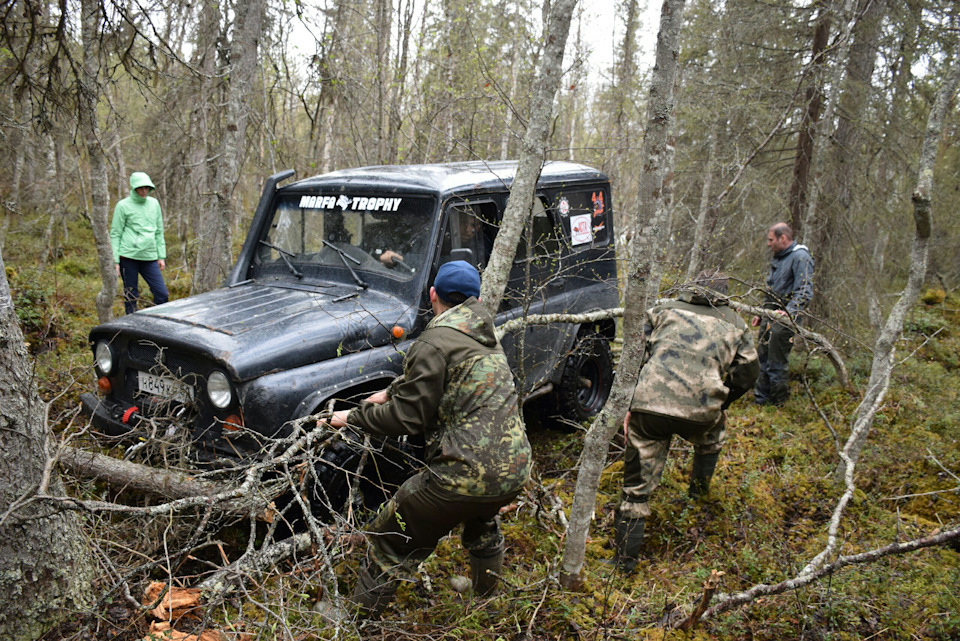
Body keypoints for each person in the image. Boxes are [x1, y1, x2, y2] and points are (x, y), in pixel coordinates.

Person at [323, 260, 532, 617]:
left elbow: (407, 418)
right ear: (475, 299)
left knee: (392, 534)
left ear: (432, 294)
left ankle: (350, 619)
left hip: (459, 477)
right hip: (513, 471)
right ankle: (487, 602)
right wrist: (392, 391)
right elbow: (447, 379)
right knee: (482, 518)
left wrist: (352, 417)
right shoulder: (486, 337)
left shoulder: (433, 340)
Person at [611, 272, 759, 573]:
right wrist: (722, 402)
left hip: (649, 408)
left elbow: (635, 354)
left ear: (689, 290)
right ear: (723, 295)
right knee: (713, 437)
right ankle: (698, 495)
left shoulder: (661, 310)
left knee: (635, 489)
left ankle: (624, 564)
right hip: (702, 413)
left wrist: (630, 402)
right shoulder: (736, 324)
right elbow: (748, 374)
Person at [751, 222, 814, 405]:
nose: (769, 244)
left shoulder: (801, 257)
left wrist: (789, 312)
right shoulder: (778, 257)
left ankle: (778, 402)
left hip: (785, 320)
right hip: (769, 315)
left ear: (783, 238)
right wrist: (762, 312)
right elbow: (771, 288)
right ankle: (760, 400)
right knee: (762, 357)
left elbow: (804, 292)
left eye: (771, 240)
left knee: (776, 362)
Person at [110, 172, 169, 314]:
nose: (144, 191)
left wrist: (161, 256)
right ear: (134, 188)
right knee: (131, 296)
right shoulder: (123, 206)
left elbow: (158, 231)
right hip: (128, 257)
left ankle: (158, 324)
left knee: (162, 294)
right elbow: (115, 234)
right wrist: (115, 261)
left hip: (149, 257)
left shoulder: (154, 204)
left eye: (147, 188)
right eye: (141, 187)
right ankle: (131, 328)